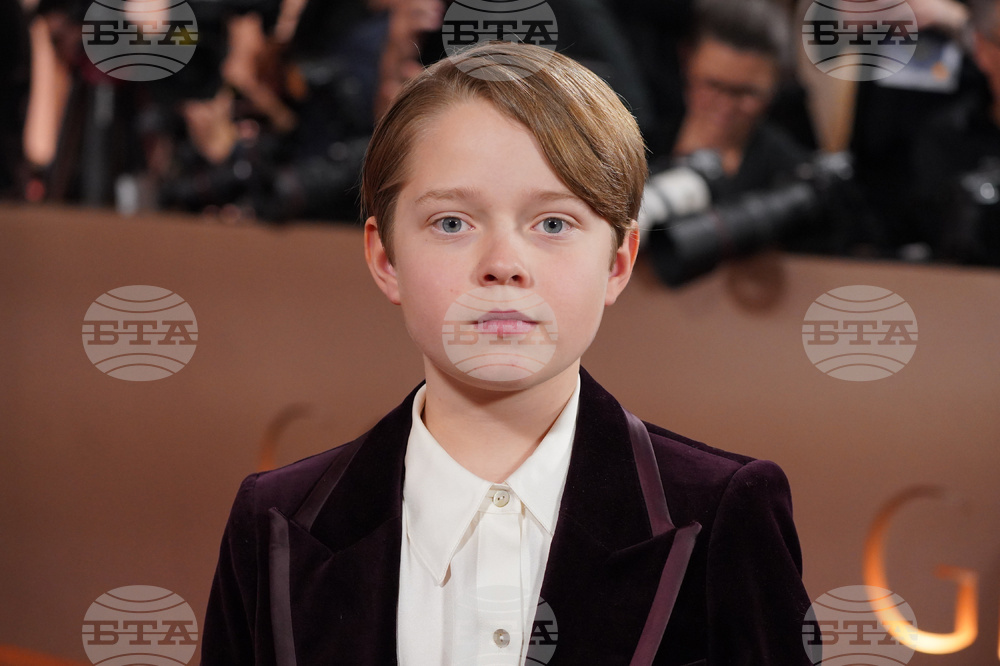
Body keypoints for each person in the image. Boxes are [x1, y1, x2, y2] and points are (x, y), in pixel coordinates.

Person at [200, 41, 812, 665]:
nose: (502, 267)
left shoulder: (722, 512)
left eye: (553, 224)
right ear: (385, 258)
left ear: (618, 261)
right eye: (452, 223)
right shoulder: (276, 521)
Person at [671, 0, 809, 200]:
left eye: (746, 93)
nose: (725, 106)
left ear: (775, 86)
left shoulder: (792, 180)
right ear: (686, 62)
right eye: (713, 86)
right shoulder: (641, 146)